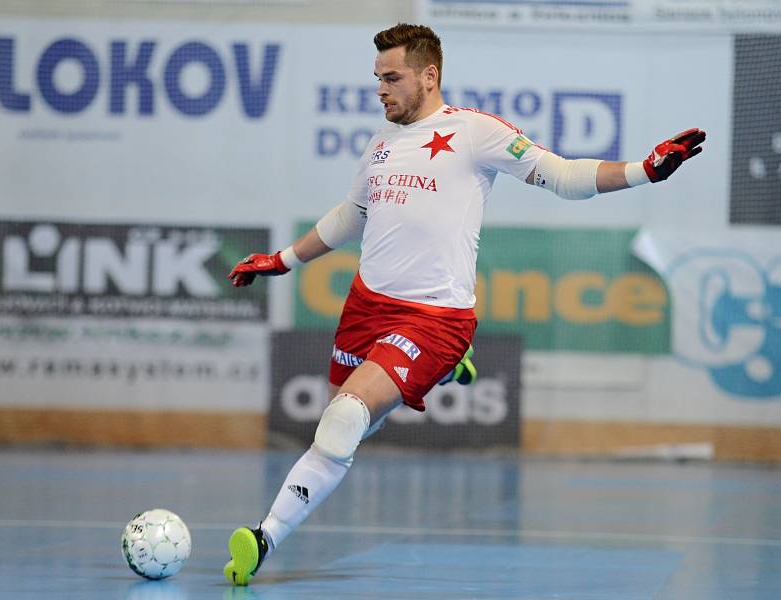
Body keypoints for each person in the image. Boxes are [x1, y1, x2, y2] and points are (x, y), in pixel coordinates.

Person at [223, 23, 706, 586]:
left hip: (434, 317)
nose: (381, 90)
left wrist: (643, 171)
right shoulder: (380, 145)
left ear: (430, 76)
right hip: (366, 306)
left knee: (341, 423)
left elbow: (562, 175)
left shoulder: (474, 132)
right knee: (345, 423)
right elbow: (351, 215)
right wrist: (281, 260)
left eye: (393, 78)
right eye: (377, 79)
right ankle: (441, 372)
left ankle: (263, 538)